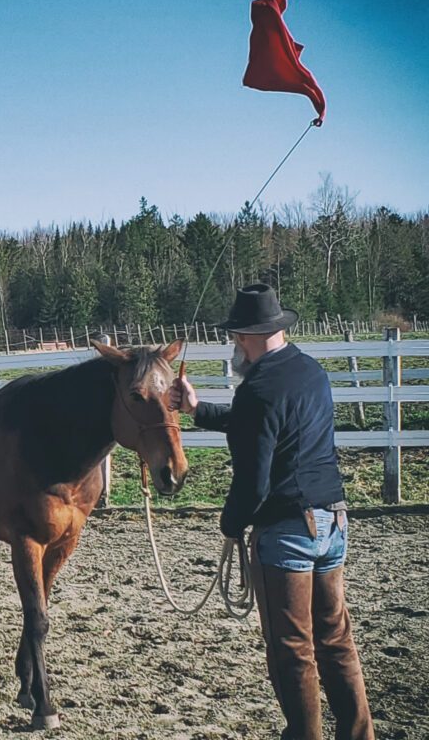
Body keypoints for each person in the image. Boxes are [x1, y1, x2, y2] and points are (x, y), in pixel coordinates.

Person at [169, 283, 374, 740]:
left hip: (286, 530)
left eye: (235, 337)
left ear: (247, 336)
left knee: (291, 648)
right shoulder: (310, 372)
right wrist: (199, 409)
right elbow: (261, 420)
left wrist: (230, 524)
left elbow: (254, 481)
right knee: (336, 640)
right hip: (333, 519)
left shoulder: (259, 388)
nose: (234, 347)